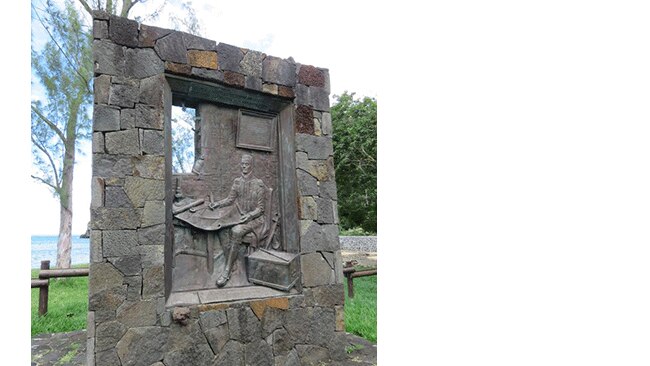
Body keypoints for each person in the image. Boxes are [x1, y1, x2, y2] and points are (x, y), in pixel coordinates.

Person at [209, 154, 267, 287]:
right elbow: (230, 200)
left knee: (236, 231)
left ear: (251, 165)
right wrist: (217, 204)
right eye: (242, 164)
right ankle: (232, 261)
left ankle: (227, 271)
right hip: (240, 217)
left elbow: (261, 209)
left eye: (246, 164)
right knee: (221, 227)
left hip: (256, 219)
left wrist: (250, 216)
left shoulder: (258, 184)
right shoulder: (237, 182)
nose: (244, 166)